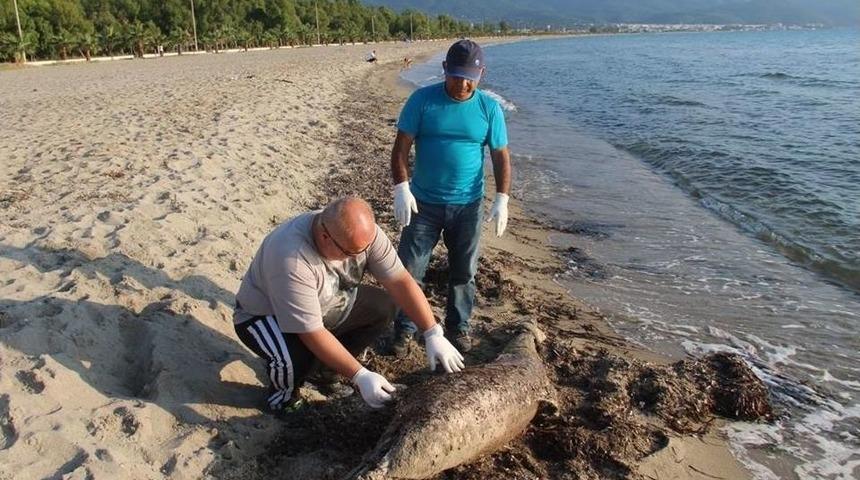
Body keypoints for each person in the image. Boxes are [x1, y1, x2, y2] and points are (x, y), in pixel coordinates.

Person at [233, 196, 464, 413]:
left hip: (327, 302)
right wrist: (360, 375)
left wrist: (433, 331)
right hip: (263, 316)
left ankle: (325, 373)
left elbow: (400, 281)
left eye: (363, 250)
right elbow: (310, 332)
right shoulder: (291, 258)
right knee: (295, 359)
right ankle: (283, 398)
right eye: (350, 253)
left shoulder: (364, 236)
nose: (359, 257)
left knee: (383, 307)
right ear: (325, 237)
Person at [390, 39, 512, 356]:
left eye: (470, 76)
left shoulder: (489, 108)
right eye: (456, 75)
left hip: (468, 205)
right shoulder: (422, 100)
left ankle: (459, 328)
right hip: (423, 204)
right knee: (410, 270)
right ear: (445, 70)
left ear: (481, 73)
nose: (463, 83)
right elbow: (401, 148)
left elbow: (500, 156)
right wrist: (401, 188)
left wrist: (502, 198)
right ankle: (403, 330)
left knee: (464, 273)